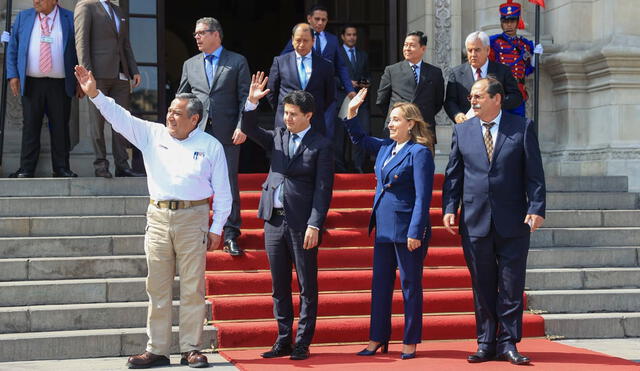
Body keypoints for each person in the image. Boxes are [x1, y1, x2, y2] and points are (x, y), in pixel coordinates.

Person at [74, 65, 232, 369]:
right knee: (157, 286)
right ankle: (157, 349)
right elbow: (120, 118)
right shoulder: (152, 134)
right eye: (170, 110)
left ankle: (191, 348)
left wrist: (217, 227)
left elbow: (223, 193)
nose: (170, 116)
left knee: (192, 287)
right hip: (158, 217)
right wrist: (94, 93)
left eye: (177, 113)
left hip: (193, 217)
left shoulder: (210, 146)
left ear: (194, 119)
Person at [442, 77, 546, 365]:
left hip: (513, 220)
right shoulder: (462, 131)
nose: (472, 101)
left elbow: (534, 174)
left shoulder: (521, 128)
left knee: (511, 286)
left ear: (496, 99)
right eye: (471, 97)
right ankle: (486, 341)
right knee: (483, 285)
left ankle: (508, 342)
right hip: (475, 220)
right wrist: (450, 206)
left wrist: (537, 207)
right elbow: (454, 174)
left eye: (478, 96)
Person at [243, 72, 334, 361]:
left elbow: (323, 189)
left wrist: (315, 224)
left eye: (294, 114)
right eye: (285, 113)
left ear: (309, 115)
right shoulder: (279, 136)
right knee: (279, 284)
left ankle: (302, 342)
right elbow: (249, 129)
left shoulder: (321, 144)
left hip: (301, 222)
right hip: (274, 219)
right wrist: (251, 103)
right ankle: (283, 339)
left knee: (307, 285)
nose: (287, 118)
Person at [342, 89, 434, 359]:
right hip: (383, 228)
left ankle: (410, 340)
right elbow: (357, 138)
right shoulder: (385, 147)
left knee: (409, 286)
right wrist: (352, 110)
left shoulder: (420, 153)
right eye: (390, 120)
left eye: (395, 120)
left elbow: (423, 196)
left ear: (411, 123)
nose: (390, 124)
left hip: (408, 230)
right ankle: (377, 338)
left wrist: (416, 231)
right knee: (380, 286)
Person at [177, 17, 250, 256]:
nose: (196, 37)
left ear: (216, 34)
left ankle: (230, 233)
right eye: (195, 33)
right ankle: (194, 230)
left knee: (227, 183)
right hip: (197, 134)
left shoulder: (237, 62)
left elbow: (244, 99)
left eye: (201, 33)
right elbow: (182, 98)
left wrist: (242, 126)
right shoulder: (190, 64)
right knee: (193, 181)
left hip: (227, 133)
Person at [6, 0, 80, 178]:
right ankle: (26, 168)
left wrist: (80, 81)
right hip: (32, 82)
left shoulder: (69, 18)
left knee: (61, 127)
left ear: (54, 0)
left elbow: (80, 50)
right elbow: (13, 48)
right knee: (30, 126)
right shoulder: (24, 17)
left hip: (60, 84)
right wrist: (13, 75)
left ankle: (61, 167)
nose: (35, 1)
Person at [74, 0, 144, 178]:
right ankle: (101, 166)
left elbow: (125, 43)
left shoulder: (117, 10)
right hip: (97, 75)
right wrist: (86, 75)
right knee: (97, 123)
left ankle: (122, 166)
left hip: (120, 75)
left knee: (121, 121)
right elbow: (81, 41)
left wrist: (133, 69)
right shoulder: (86, 6)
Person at [281, 4, 355, 139]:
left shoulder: (332, 39)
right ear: (309, 19)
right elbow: (283, 62)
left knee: (326, 132)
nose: (320, 22)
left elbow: (341, 66)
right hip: (304, 91)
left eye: (324, 20)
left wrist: (349, 89)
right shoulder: (300, 38)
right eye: (317, 19)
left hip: (326, 94)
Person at [267, 23, 335, 135]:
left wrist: (312, 111)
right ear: (292, 40)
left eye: (306, 40)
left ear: (313, 41)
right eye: (298, 40)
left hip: (314, 122)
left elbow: (329, 96)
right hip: (286, 124)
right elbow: (271, 92)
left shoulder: (325, 65)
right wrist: (284, 111)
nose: (301, 44)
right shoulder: (280, 62)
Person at [377, 31, 444, 142]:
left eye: (412, 45)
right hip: (397, 129)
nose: (407, 48)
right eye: (405, 45)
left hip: (424, 129)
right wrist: (399, 116)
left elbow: (437, 102)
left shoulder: (434, 72)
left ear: (423, 49)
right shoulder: (392, 70)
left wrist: (420, 116)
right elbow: (381, 101)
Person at [444, 31, 522, 124]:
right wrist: (457, 114)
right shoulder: (456, 74)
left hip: (497, 126)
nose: (473, 54)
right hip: (468, 127)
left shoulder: (503, 71)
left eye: (477, 50)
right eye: (469, 50)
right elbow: (450, 101)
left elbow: (516, 97)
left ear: (488, 50)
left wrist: (495, 103)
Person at [490, 1, 539, 117]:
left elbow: (528, 68)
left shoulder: (525, 45)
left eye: (512, 21)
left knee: (519, 126)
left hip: (518, 91)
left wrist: (536, 57)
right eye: (506, 22)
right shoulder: (494, 43)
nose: (509, 25)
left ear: (518, 22)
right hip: (501, 90)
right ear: (501, 23)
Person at [335, 24, 371, 173]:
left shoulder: (363, 55)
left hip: (360, 100)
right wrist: (346, 84)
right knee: (340, 134)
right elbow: (332, 76)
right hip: (342, 98)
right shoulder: (336, 54)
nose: (352, 37)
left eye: (354, 35)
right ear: (343, 37)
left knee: (361, 131)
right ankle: (339, 167)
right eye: (348, 35)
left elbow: (367, 75)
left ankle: (358, 166)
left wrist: (365, 82)